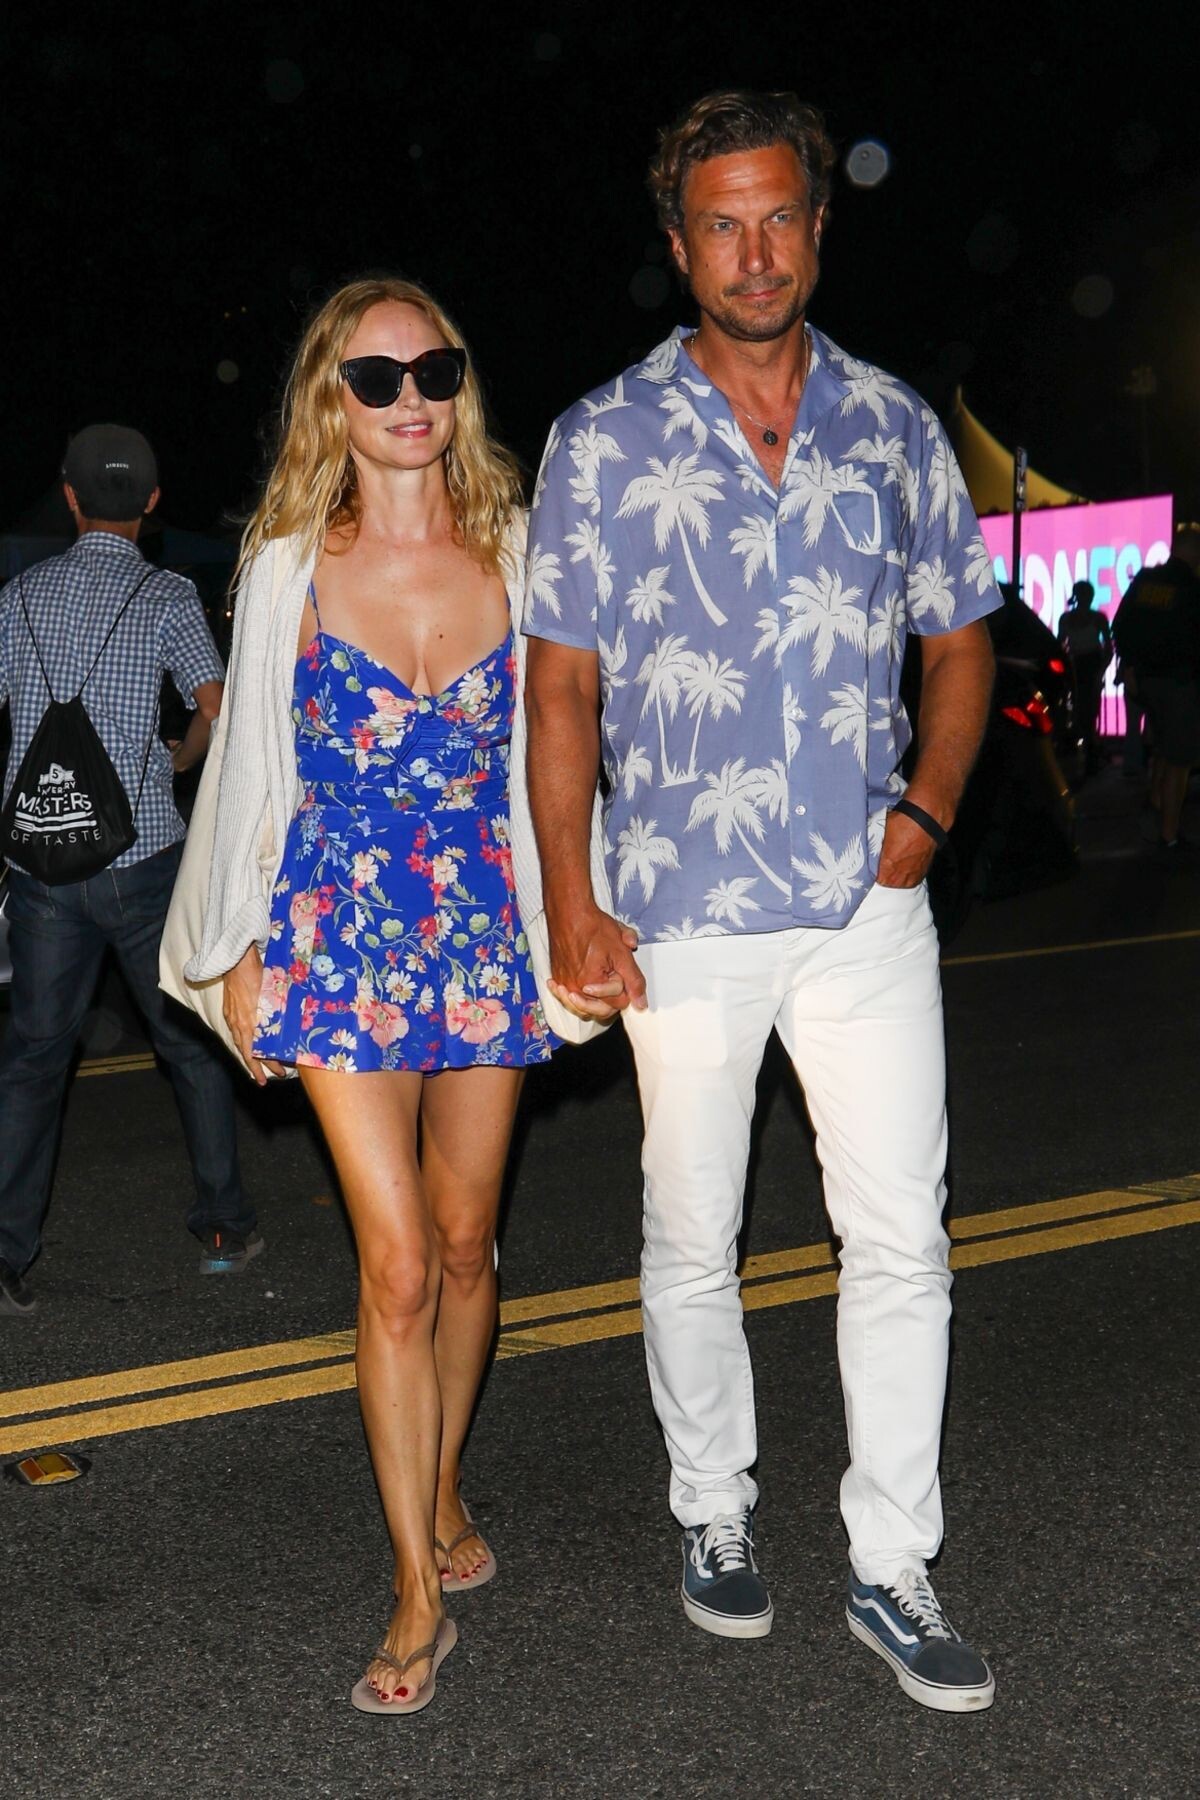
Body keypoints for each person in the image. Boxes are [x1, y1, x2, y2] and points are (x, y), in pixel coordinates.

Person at [524, 90, 1002, 1713]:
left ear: (818, 224)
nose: (755, 251)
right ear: (679, 247)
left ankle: (892, 1562)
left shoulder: (893, 425)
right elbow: (563, 686)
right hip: (679, 908)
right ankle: (713, 1507)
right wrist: (575, 896)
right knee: (692, 1233)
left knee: (902, 1240)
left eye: (779, 215)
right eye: (722, 224)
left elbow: (960, 637)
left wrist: (928, 812)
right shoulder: (603, 438)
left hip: (865, 900)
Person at [186, 278, 557, 1716]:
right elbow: (244, 769)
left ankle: (445, 1474)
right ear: (328, 403)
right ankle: (414, 1589)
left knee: (466, 1246)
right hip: (335, 928)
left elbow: (567, 743)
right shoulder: (288, 562)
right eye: (377, 378)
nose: (411, 400)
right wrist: (237, 948)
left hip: (479, 928)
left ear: (461, 387)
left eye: (434, 371)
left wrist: (585, 910)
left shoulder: (516, 548)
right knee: (395, 1263)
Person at [0, 425, 259, 1318]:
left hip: (42, 863)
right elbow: (218, 708)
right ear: (151, 504)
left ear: (68, 499)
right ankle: (222, 1228)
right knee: (185, 1041)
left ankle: (8, 1255)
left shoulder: (20, 595)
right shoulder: (167, 594)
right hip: (144, 853)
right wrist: (178, 760)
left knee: (35, 1058)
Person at [1113, 526, 1200, 853]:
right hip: (1179, 682)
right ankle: (1169, 834)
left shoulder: (1145, 580)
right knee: (1179, 760)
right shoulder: (1191, 587)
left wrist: (1130, 667)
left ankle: (1155, 804)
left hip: (1145, 681)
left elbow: (1120, 625)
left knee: (1162, 747)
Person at [1057, 579, 1112, 772]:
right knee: (1084, 710)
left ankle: (1088, 750)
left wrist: (1100, 671)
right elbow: (1108, 648)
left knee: (1085, 710)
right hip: (1082, 666)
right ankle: (1089, 750)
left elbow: (1060, 646)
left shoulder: (1074, 619)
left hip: (1085, 666)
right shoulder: (1096, 618)